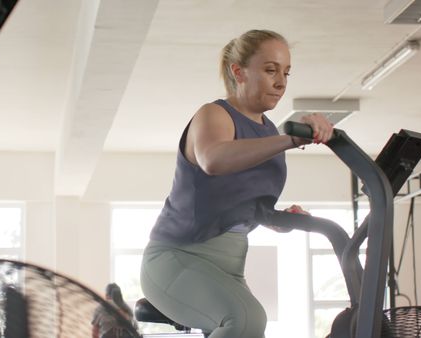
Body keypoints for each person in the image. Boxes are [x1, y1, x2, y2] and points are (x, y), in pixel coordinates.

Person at [139, 29, 334, 338]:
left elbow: (244, 205)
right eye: (270, 70)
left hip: (230, 264)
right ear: (238, 71)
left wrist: (280, 220)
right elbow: (213, 160)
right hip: (177, 257)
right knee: (247, 320)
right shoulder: (215, 114)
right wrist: (288, 139)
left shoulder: (269, 132)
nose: (281, 82)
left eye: (286, 72)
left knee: (250, 327)